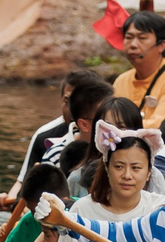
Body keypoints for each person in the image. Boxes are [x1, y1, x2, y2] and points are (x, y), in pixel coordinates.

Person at [10, 68, 113, 198]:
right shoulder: (46, 138)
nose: (72, 109)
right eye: (67, 101)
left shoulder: (116, 143)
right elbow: (25, 186)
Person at [68, 98, 165, 201]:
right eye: (108, 127)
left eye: (121, 127)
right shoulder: (76, 178)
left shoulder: (153, 175)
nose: (114, 134)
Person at [112, 10, 165, 133]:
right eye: (128, 37)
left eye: (142, 38)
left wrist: (117, 127)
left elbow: (161, 126)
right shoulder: (121, 81)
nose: (133, 44)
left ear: (161, 45)